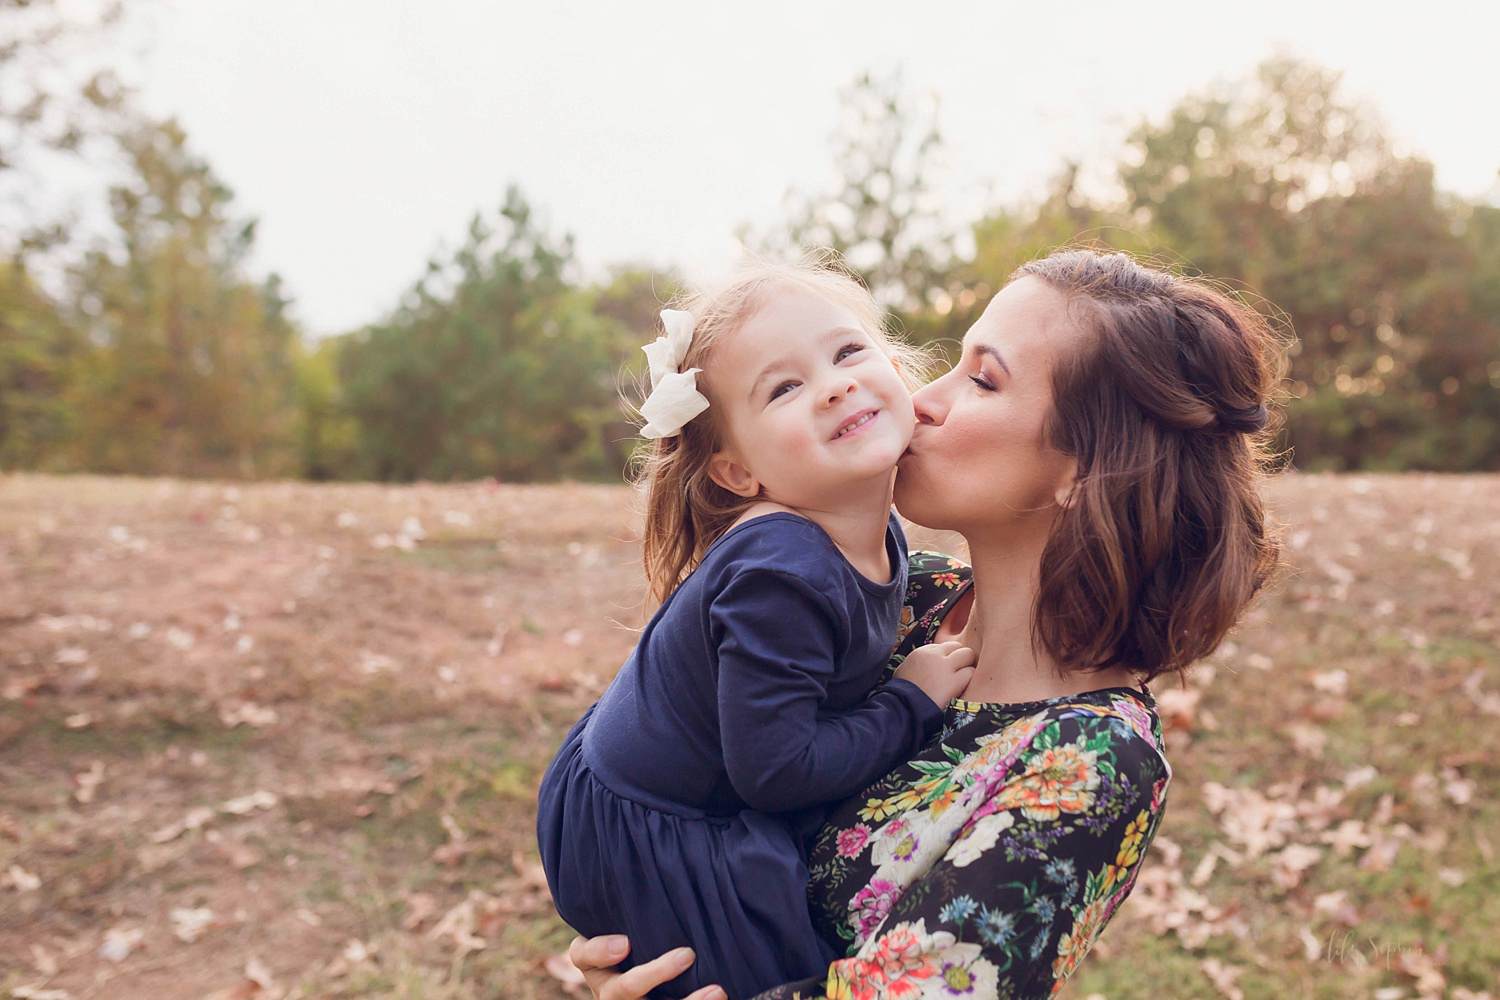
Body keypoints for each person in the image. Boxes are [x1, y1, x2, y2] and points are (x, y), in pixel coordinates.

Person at [567, 247, 1285, 1000]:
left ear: (1089, 468)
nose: (924, 399)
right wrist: (636, 933)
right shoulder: (897, 596)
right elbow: (668, 751)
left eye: (982, 378)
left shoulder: (1093, 762)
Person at [536, 259, 980, 1000]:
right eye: (784, 387)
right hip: (654, 820)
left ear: (896, 370)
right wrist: (909, 703)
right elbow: (774, 770)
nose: (834, 384)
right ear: (739, 473)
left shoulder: (877, 532)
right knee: (771, 980)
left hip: (690, 784)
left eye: (846, 353)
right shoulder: (782, 567)